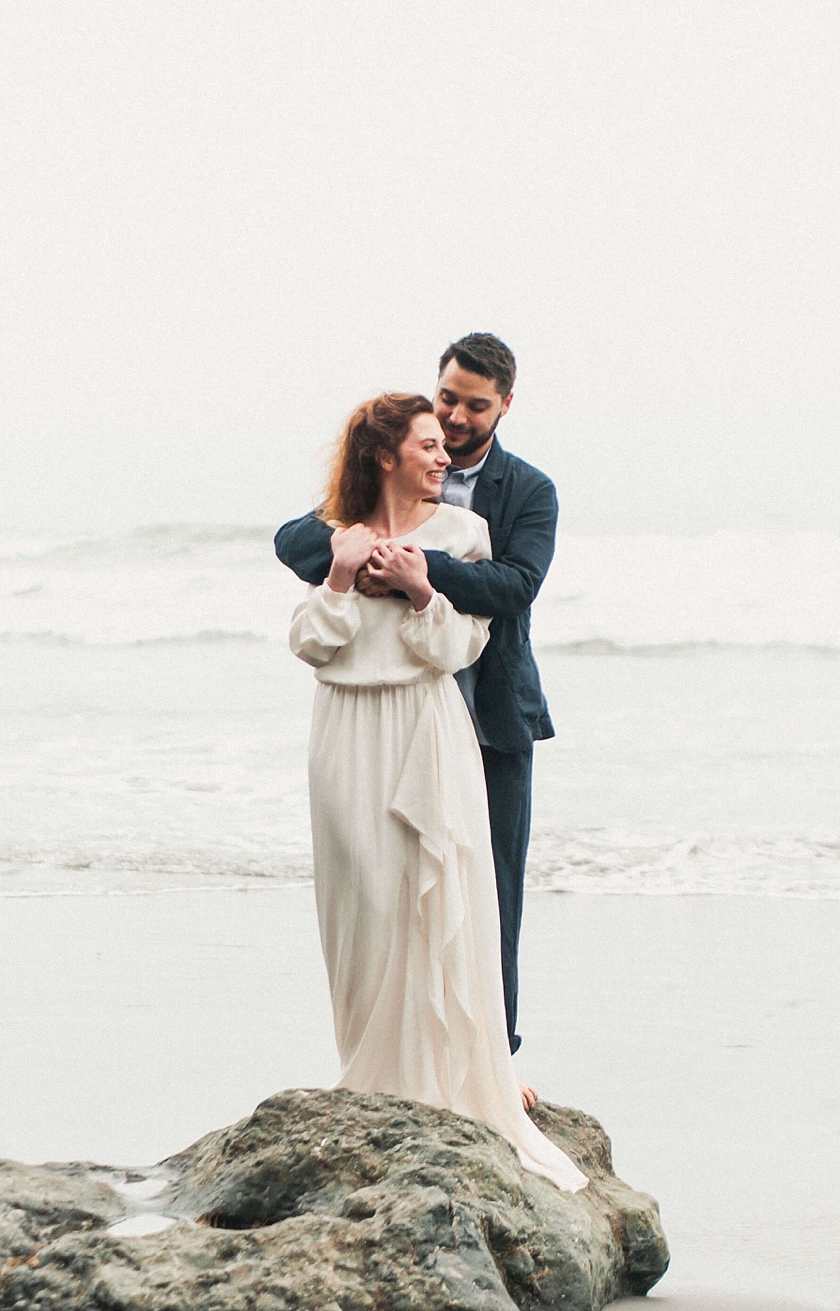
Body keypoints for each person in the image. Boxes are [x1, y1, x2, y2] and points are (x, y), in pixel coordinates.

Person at [288, 392, 586, 1193]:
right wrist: (344, 577)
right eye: (426, 442)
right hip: (346, 730)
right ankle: (369, 1068)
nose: (442, 454)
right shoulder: (335, 538)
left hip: (426, 727)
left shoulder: (464, 535)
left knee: (433, 898)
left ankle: (448, 1076)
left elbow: (459, 644)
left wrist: (423, 590)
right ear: (386, 455)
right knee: (363, 902)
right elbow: (312, 643)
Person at [275, 334, 556, 1061]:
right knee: (373, 886)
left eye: (475, 406)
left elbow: (515, 587)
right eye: (448, 399)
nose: (456, 419)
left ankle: (496, 1053)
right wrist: (363, 563)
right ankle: (385, 1046)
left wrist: (417, 569)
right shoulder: (376, 486)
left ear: (506, 407)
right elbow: (296, 541)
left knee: (483, 885)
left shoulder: (526, 493)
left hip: (483, 713)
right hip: (371, 709)